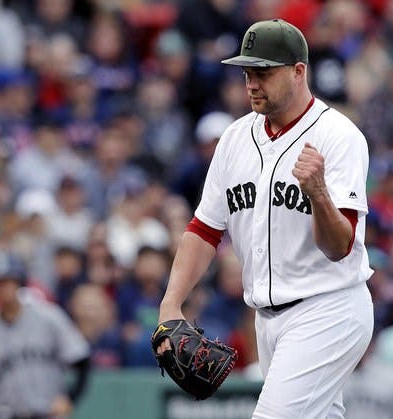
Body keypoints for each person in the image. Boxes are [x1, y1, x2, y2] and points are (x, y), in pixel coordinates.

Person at [156, 19, 374, 418]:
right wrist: (171, 303)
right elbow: (204, 230)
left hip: (328, 309)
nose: (252, 84)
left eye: (264, 73)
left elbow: (339, 247)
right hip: (266, 320)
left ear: (298, 71)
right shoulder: (235, 138)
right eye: (247, 73)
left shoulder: (338, 137)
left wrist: (319, 195)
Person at [0, 249, 91, 419]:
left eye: (10, 282)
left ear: (20, 283)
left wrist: (70, 398)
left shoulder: (49, 317)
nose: (6, 288)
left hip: (47, 413)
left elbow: (81, 359)